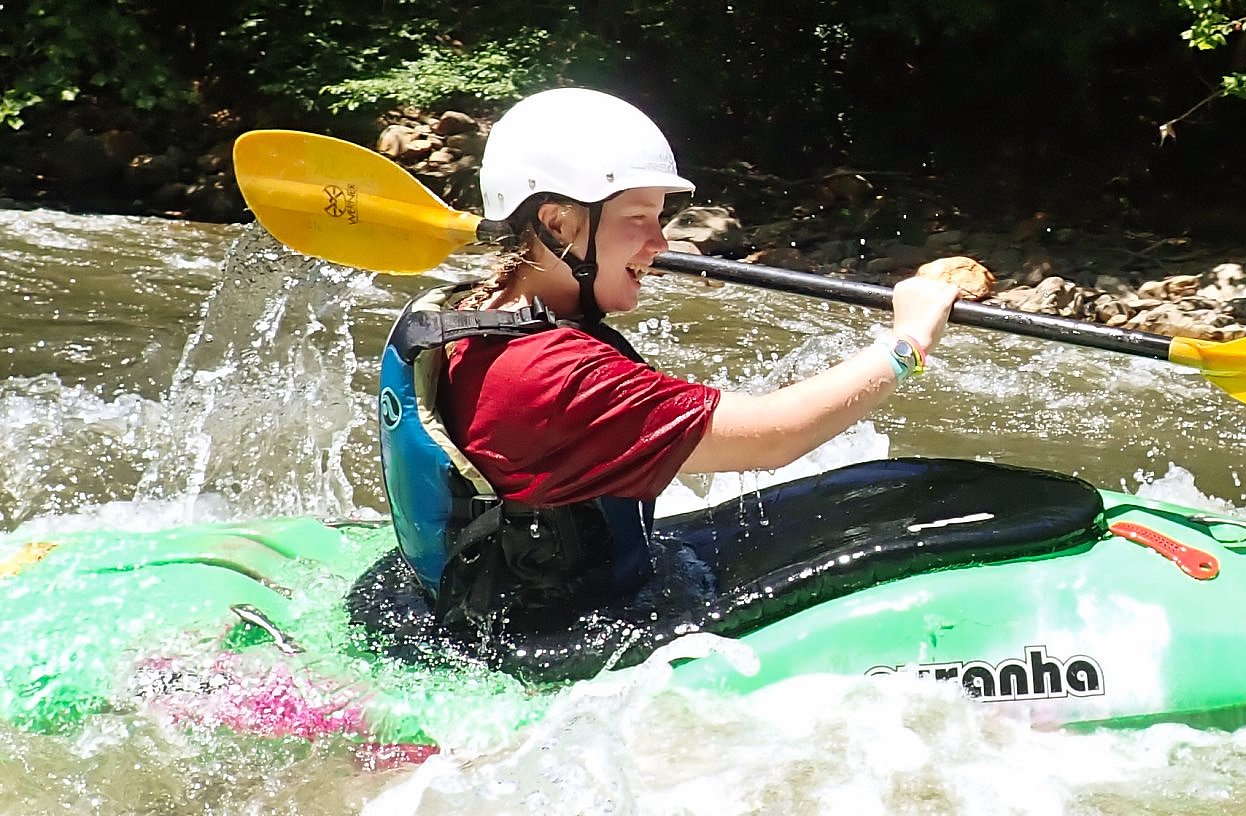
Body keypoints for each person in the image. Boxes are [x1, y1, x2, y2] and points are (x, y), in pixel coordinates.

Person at [375, 87, 961, 631]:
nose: (659, 244)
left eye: (660, 219)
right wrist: (907, 343)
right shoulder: (551, 376)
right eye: (638, 219)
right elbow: (773, 437)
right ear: (557, 222)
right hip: (556, 636)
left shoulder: (468, 309)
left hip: (484, 599)